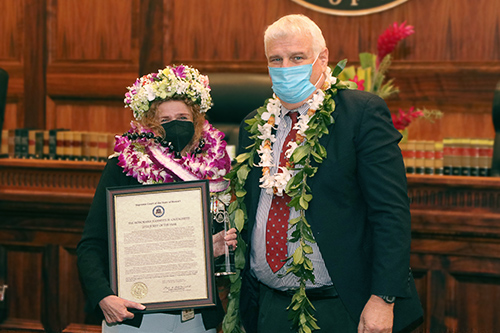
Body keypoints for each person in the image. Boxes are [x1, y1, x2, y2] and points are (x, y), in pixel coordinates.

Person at [236, 14, 424, 333]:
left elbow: (391, 213)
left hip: (342, 308)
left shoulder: (360, 114)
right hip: (269, 308)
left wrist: (383, 298)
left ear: (322, 58)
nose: (285, 68)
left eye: (297, 57)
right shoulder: (253, 125)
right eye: (275, 59)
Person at [77, 64, 237, 333]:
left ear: (197, 121)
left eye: (183, 117)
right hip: (133, 318)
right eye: (164, 120)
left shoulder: (217, 173)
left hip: (196, 318)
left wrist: (215, 248)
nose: (175, 125)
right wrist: (103, 296)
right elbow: (91, 244)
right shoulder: (122, 168)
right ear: (149, 125)